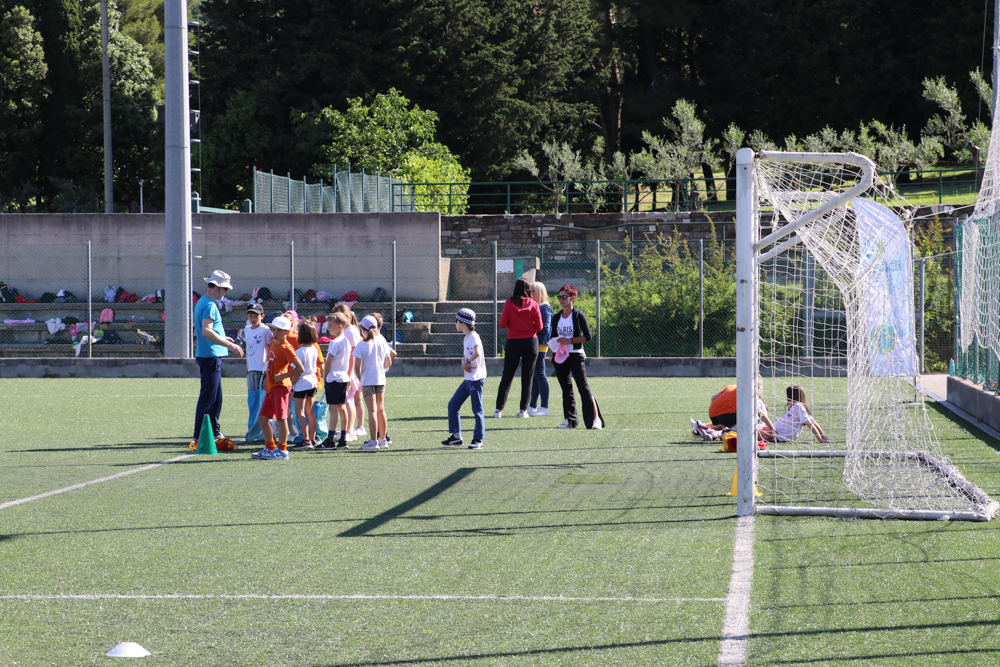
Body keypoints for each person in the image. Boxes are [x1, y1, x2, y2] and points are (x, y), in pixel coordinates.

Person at [190, 270, 244, 450]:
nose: (226, 292)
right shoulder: (210, 305)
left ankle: (213, 431)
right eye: (226, 289)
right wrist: (229, 345)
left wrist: (222, 337)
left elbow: (207, 331)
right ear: (218, 287)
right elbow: (206, 331)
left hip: (209, 355)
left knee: (215, 397)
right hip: (210, 356)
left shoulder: (203, 302)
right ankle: (200, 435)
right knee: (209, 398)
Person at [551, 284, 604, 429]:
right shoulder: (556, 317)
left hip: (575, 355)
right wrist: (552, 354)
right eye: (559, 297)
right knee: (566, 389)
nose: (561, 299)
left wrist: (570, 341)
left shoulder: (578, 315)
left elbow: (588, 336)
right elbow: (553, 337)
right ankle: (570, 420)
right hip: (560, 357)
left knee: (583, 388)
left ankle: (595, 420)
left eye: (564, 297)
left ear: (572, 298)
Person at [251, 316, 302, 460]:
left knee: (281, 418)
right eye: (274, 329)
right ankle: (269, 447)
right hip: (271, 387)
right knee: (262, 418)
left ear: (287, 332)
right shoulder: (273, 343)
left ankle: (282, 450)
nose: (275, 332)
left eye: (279, 330)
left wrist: (284, 376)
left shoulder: (287, 348)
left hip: (280, 387)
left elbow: (300, 368)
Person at [494, 278, 543, 419]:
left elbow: (502, 324)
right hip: (530, 342)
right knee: (527, 377)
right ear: (528, 290)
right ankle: (523, 411)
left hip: (513, 342)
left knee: (507, 376)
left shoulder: (508, 303)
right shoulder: (534, 304)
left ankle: (498, 410)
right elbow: (539, 327)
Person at [443, 308, 486, 449]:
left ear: (463, 322)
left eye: (456, 321)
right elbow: (466, 356)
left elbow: (477, 353)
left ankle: (478, 440)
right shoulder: (466, 338)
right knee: (453, 404)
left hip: (476, 379)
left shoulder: (474, 336)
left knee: (477, 410)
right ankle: (456, 437)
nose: (455, 323)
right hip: (468, 379)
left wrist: (467, 361)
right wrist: (464, 363)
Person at [353, 314, 396, 451]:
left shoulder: (361, 345)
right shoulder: (382, 341)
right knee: (381, 409)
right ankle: (382, 440)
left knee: (372, 410)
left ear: (363, 329)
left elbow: (356, 367)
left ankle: (373, 441)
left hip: (368, 382)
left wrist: (361, 378)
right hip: (380, 380)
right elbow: (388, 362)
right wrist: (379, 370)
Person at [318, 312, 353, 449]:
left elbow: (328, 363)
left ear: (340, 326)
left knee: (333, 409)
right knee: (342, 408)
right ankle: (343, 438)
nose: (328, 328)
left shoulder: (334, 342)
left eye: (331, 325)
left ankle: (330, 439)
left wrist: (325, 377)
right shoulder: (346, 341)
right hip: (343, 377)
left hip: (334, 378)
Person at [333, 303, 365, 440]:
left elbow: (353, 354)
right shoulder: (346, 330)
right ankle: (346, 428)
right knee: (347, 401)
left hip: (350, 372)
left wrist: (349, 374)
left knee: (349, 401)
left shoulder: (350, 331)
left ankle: (351, 430)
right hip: (346, 371)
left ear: (345, 317)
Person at [760, 385, 830, 443]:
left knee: (754, 432)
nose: (786, 399)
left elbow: (810, 423)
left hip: (773, 432)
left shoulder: (798, 406)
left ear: (791, 397)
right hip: (775, 432)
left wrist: (820, 439)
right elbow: (814, 423)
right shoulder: (798, 407)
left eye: (788, 397)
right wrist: (823, 436)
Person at [243, 303, 272, 443]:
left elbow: (270, 348)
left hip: (262, 370)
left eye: (256, 316)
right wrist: (248, 365)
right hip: (251, 370)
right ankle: (252, 430)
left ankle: (262, 432)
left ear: (262, 316)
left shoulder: (266, 330)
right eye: (250, 316)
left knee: (261, 400)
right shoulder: (246, 329)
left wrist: (268, 366)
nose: (253, 319)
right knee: (252, 400)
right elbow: (249, 349)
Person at [290, 320, 320, 450]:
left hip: (302, 383)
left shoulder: (299, 352)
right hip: (312, 382)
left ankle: (305, 439)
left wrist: (292, 384)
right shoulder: (314, 349)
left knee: (300, 412)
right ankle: (312, 438)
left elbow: (298, 371)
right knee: (310, 412)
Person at [528, 281, 552, 417]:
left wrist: (530, 326)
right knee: (537, 376)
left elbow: (546, 328)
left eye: (533, 291)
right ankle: (533, 406)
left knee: (540, 375)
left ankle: (544, 407)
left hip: (541, 345)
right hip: (537, 344)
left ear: (538, 293)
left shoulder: (544, 307)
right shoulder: (539, 306)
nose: (530, 294)